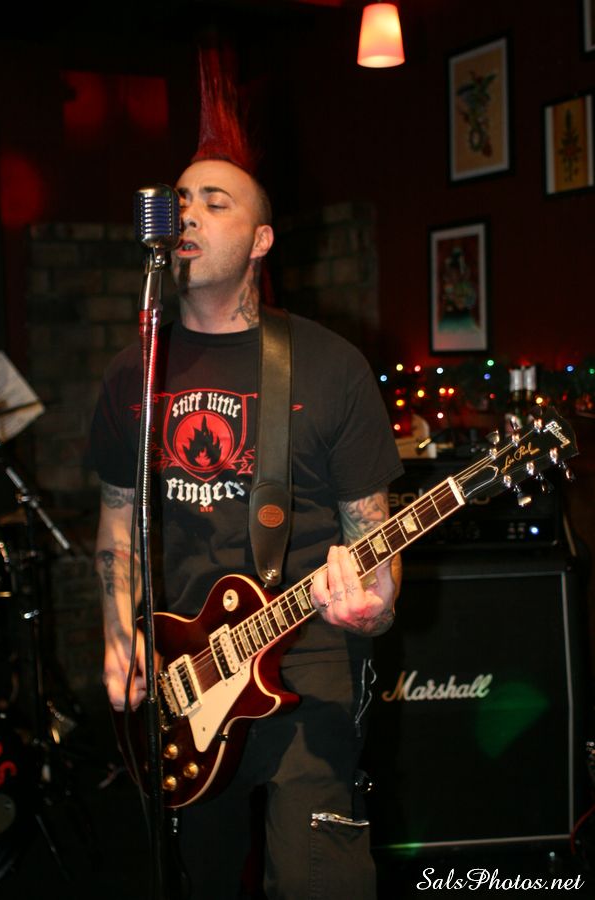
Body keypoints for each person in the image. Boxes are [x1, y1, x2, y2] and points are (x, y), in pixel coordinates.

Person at [88, 155, 403, 899]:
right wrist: (118, 631)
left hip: (310, 662)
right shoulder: (133, 372)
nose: (188, 212)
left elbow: (375, 539)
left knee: (320, 881)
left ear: (261, 241)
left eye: (215, 201)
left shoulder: (330, 366)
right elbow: (117, 517)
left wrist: (377, 605)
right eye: (181, 199)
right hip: (186, 670)